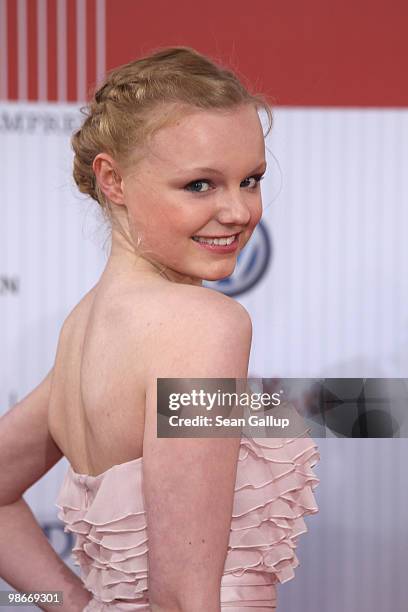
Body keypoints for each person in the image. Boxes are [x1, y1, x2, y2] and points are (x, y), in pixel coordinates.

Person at [0, 46, 320, 611]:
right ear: (113, 180)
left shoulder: (82, 331)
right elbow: (181, 599)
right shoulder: (203, 326)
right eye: (200, 185)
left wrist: (71, 603)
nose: (239, 211)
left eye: (251, 179)